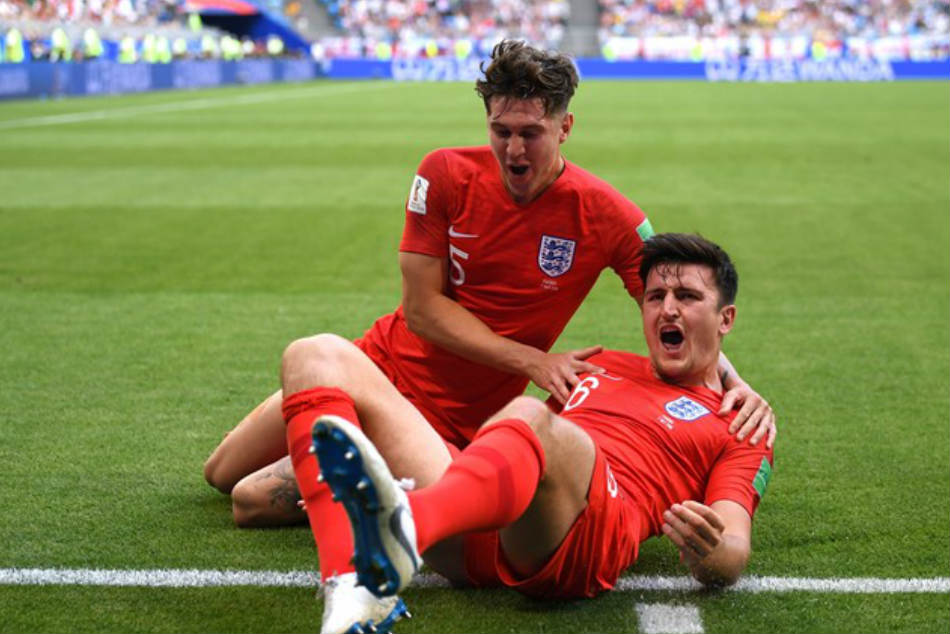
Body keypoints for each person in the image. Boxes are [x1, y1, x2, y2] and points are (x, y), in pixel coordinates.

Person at [203, 40, 776, 530]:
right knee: (218, 473)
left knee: (250, 499)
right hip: (376, 364)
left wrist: (735, 384)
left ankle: (386, 482)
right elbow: (423, 309)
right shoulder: (444, 173)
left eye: (531, 132)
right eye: (501, 131)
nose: (514, 150)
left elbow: (674, 304)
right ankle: (373, 465)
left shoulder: (608, 214)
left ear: (565, 126)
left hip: (452, 419)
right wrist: (531, 361)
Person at [304, 233, 774, 633]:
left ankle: (406, 523)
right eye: (655, 298)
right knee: (318, 354)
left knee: (533, 416)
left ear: (725, 319)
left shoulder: (741, 422)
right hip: (486, 526)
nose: (667, 310)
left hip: (587, 537)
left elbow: (733, 547)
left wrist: (712, 553)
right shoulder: (601, 364)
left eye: (687, 298)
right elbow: (508, 449)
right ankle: (349, 582)